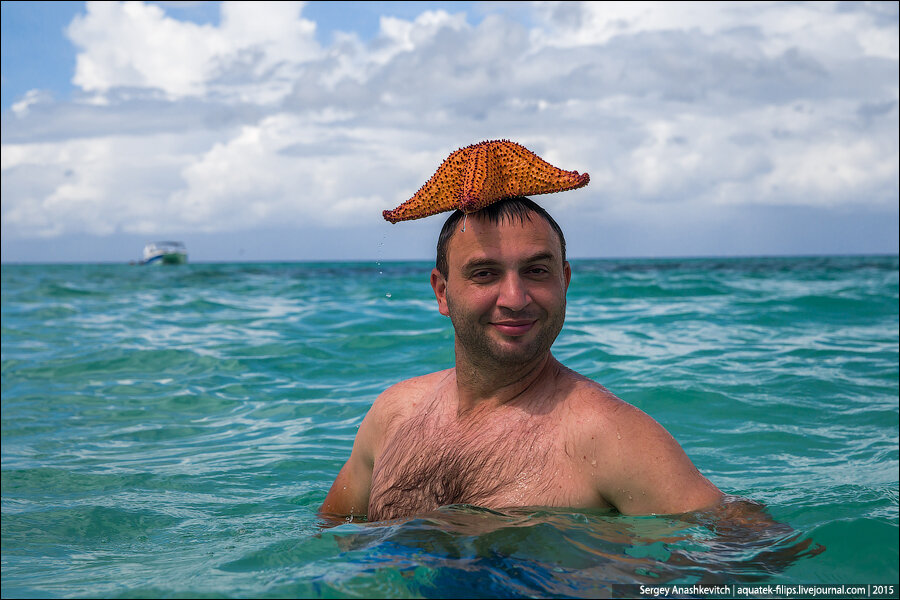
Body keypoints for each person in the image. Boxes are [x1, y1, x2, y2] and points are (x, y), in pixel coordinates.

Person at [320, 196, 724, 522]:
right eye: (484, 273)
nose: (515, 299)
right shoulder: (395, 413)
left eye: (536, 271)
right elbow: (330, 535)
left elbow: (747, 545)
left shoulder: (610, 436)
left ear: (564, 281)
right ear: (442, 292)